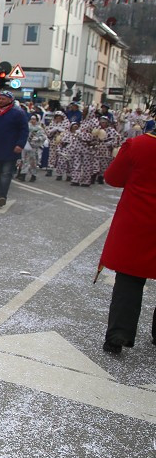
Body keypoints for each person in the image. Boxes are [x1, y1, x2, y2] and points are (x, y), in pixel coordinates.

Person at [98, 125, 156, 354]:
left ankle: (118, 335)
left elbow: (113, 177)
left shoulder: (138, 145)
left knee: (129, 282)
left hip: (138, 222)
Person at [20, 114, 47, 182]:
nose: (32, 120)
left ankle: (33, 175)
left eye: (34, 119)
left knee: (33, 161)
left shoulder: (39, 128)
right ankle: (23, 174)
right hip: (26, 145)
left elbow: (44, 136)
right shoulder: (27, 126)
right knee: (24, 160)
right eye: (32, 119)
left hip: (34, 147)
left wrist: (38, 138)